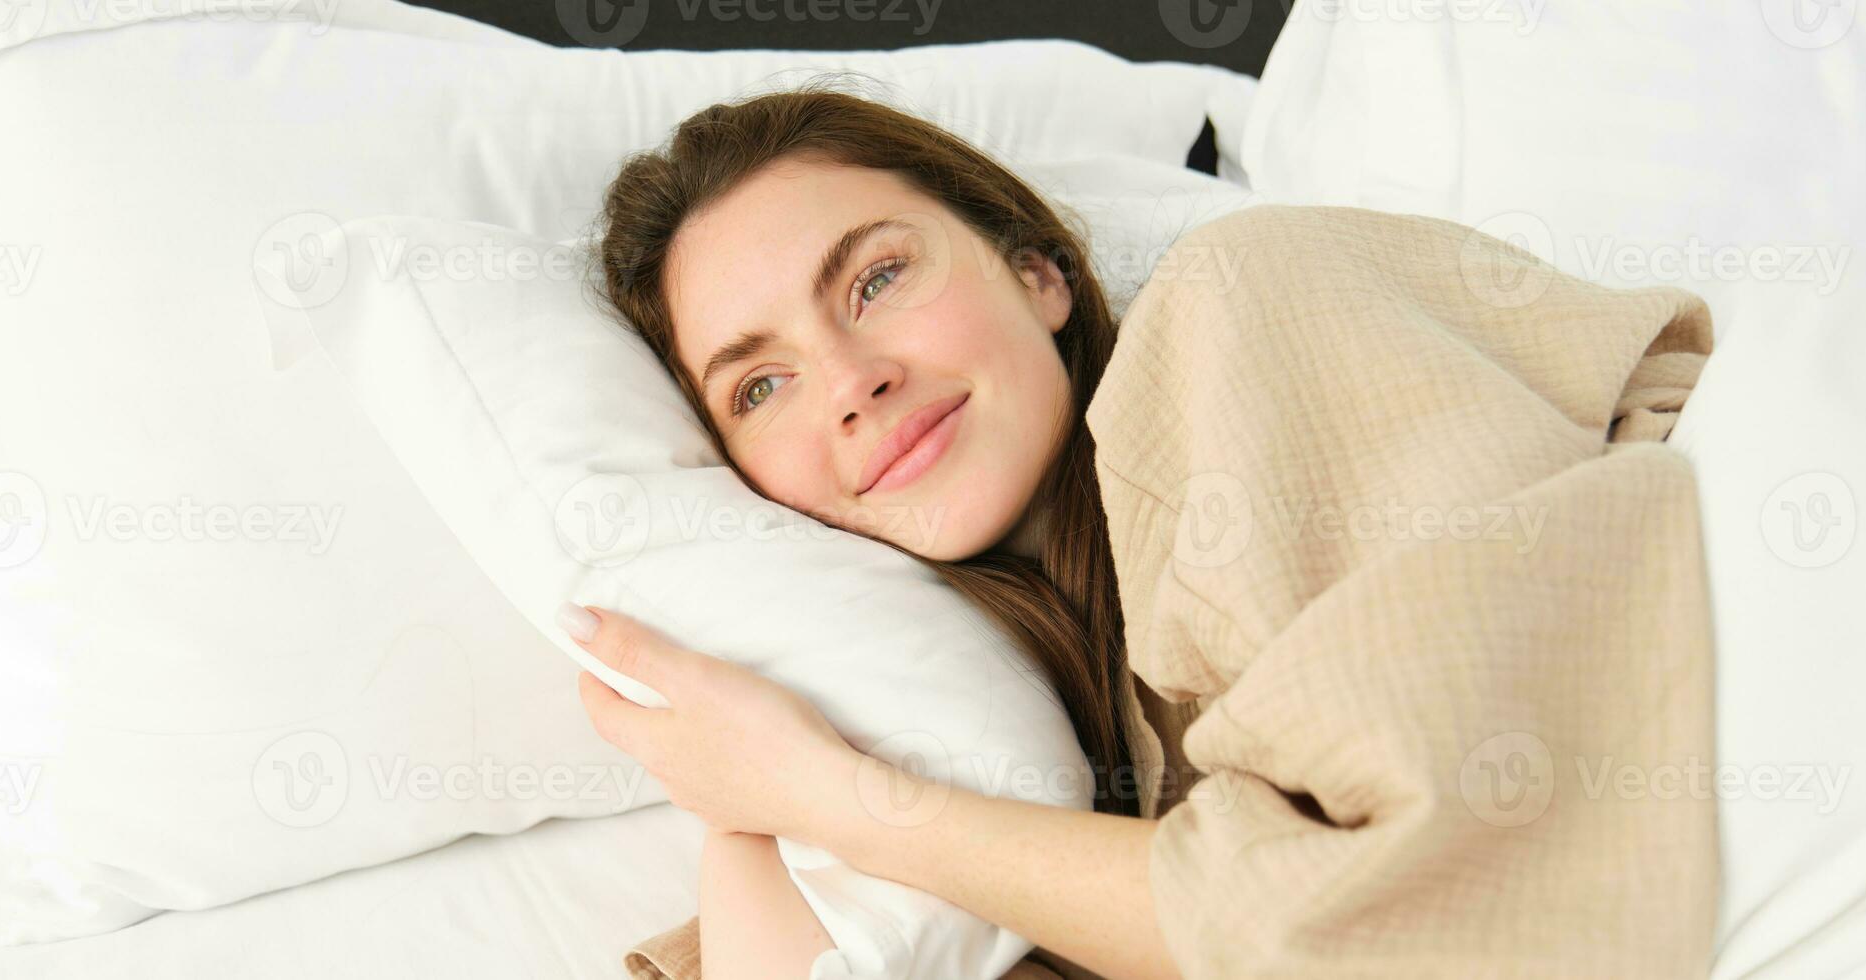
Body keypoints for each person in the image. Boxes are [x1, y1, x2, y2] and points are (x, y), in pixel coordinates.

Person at [563, 86, 1716, 980]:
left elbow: (1426, 904)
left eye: (874, 279)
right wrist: (751, 811)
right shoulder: (1050, 754)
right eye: (759, 387)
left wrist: (825, 793)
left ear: (1038, 270)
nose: (850, 384)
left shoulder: (1249, 304)